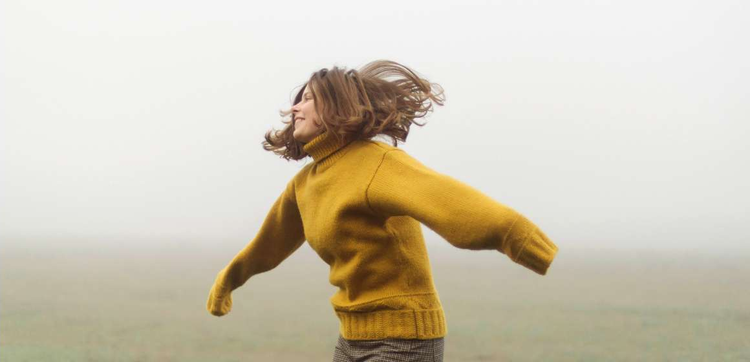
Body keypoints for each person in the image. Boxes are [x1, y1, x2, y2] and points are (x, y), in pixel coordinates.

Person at [206, 59, 559, 361]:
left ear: (335, 106)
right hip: (352, 335)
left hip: (405, 338)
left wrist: (523, 240)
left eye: (308, 99)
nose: (295, 108)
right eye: (296, 102)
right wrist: (229, 280)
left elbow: (451, 203)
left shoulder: (377, 164)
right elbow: (270, 242)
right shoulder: (306, 183)